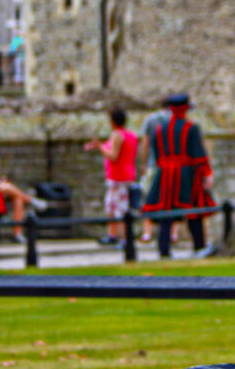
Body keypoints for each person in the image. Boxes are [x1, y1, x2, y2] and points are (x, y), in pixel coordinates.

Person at [142, 94, 216, 257]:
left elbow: (157, 153)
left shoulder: (160, 130)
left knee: (166, 212)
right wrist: (207, 173)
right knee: (193, 210)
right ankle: (199, 246)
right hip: (186, 173)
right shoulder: (191, 128)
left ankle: (164, 249)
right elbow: (198, 154)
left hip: (165, 173)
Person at [85, 108, 138, 247]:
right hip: (126, 174)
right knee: (111, 206)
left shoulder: (117, 135)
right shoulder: (131, 135)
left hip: (118, 177)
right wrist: (99, 145)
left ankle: (125, 239)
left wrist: (100, 147)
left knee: (120, 208)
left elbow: (113, 155)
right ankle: (112, 235)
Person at [137, 106, 172, 244]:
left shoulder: (151, 120)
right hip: (169, 166)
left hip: (153, 164)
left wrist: (143, 163)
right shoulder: (174, 120)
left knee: (147, 197)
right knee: (170, 198)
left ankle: (147, 232)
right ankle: (173, 234)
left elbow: (145, 142)